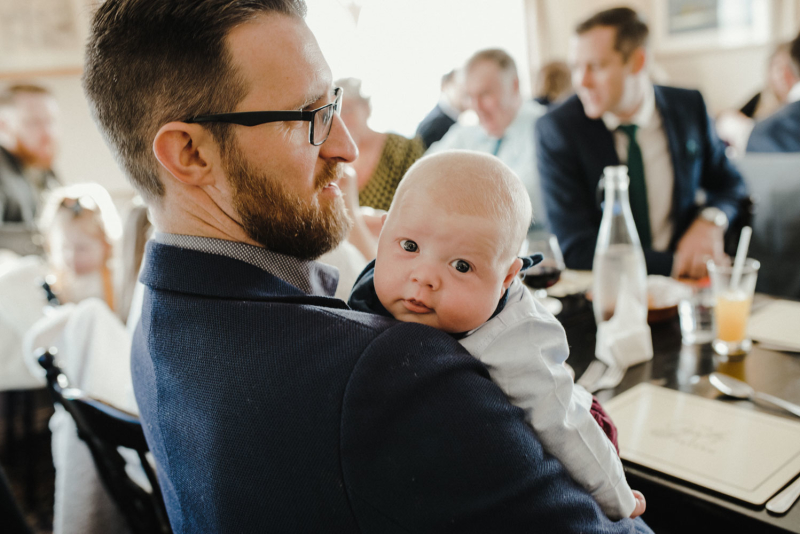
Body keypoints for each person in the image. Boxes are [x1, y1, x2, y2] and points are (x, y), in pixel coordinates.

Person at [83, 0, 652, 532]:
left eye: (333, 104)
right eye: (310, 116)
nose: (347, 147)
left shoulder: (158, 314)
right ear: (190, 153)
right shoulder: (389, 376)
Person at [348, 150, 646, 521]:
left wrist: (617, 498)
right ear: (384, 231)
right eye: (409, 246)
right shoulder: (375, 282)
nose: (424, 276)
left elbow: (564, 424)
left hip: (580, 425)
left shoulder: (514, 339)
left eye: (461, 266)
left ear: (506, 278)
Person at [536, 7, 747, 278]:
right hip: (610, 290)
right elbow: (575, 246)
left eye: (595, 67)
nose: (581, 82)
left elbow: (731, 185)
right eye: (576, 67)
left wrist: (710, 221)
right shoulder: (557, 128)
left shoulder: (689, 106)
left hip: (688, 291)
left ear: (637, 61)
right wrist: (675, 264)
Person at [428, 48, 548, 228]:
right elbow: (424, 174)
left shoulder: (545, 129)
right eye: (469, 96)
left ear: (514, 86)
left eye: (485, 94)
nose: (476, 107)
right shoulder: (466, 131)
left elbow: (521, 201)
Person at [336, 77, 425, 212]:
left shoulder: (402, 148)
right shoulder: (332, 155)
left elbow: (420, 204)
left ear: (366, 108)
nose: (341, 119)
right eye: (335, 112)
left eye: (347, 110)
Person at [0, 84, 61, 225]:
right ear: (3, 126)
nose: (48, 133)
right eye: (34, 123)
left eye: (51, 121)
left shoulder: (45, 171)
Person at [747, 32, 800, 153]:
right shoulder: (761, 98)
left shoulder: (762, 134)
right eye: (778, 68)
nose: (781, 75)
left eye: (785, 68)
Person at [415, 69, 466, 148]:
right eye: (461, 86)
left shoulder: (442, 117)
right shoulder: (438, 123)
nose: (467, 91)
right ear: (446, 86)